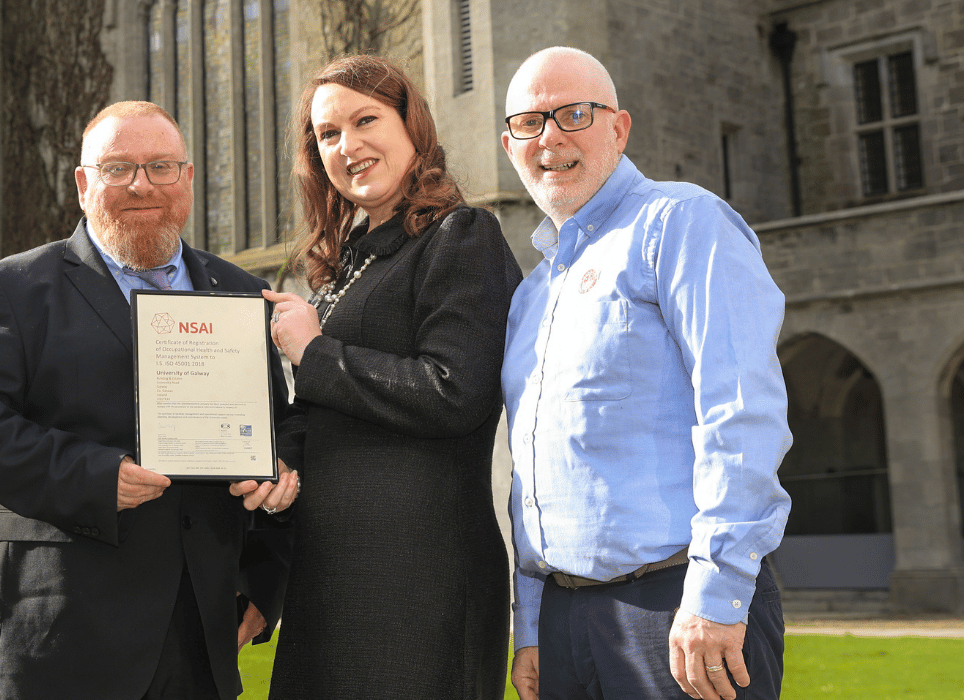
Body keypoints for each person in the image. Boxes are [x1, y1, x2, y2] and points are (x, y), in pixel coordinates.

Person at [0, 101, 294, 700]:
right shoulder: (10, 287)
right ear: (83, 183)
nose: (141, 184)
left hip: (201, 637)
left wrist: (261, 581)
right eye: (117, 168)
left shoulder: (243, 292)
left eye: (161, 167)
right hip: (59, 636)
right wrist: (94, 475)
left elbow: (281, 436)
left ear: (188, 179)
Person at [499, 47, 792, 700]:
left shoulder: (681, 224)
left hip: (676, 606)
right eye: (530, 122)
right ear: (510, 144)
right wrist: (533, 623)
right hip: (567, 620)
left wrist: (716, 595)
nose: (550, 137)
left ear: (619, 127)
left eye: (574, 114)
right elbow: (529, 471)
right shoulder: (531, 298)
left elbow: (740, 414)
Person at [250, 54, 521, 699]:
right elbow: (333, 418)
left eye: (366, 119)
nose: (349, 145)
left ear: (411, 125)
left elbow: (455, 392)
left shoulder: (463, 235)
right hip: (331, 574)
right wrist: (283, 462)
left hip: (418, 581)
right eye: (328, 134)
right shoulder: (348, 263)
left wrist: (314, 355)